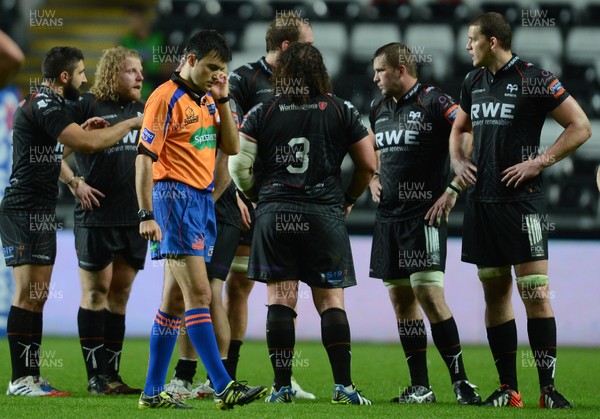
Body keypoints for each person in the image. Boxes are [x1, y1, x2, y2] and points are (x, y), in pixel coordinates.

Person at [166, 14, 316, 401]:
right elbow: (221, 140)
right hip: (232, 199)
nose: (312, 51)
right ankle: (188, 375)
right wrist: (232, 191)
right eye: (306, 44)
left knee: (246, 290)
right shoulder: (243, 80)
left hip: (278, 202)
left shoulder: (303, 83)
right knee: (202, 289)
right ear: (286, 47)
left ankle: (240, 377)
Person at [450, 12, 591, 408]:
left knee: (535, 294)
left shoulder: (535, 78)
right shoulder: (471, 81)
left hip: (522, 204)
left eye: (472, 39)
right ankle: (509, 389)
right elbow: (458, 129)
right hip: (482, 204)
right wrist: (458, 162)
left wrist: (539, 161)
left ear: (492, 41)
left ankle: (547, 389)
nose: (467, 46)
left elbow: (580, 126)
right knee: (495, 296)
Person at [229, 42, 376, 405]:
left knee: (281, 299)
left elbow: (237, 167)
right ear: (319, 73)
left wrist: (255, 197)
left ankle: (281, 387)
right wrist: (348, 199)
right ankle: (343, 387)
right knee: (330, 301)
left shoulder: (263, 111)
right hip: (324, 213)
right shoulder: (341, 109)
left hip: (276, 213)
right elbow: (368, 165)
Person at [135, 29, 267, 410]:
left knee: (176, 300)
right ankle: (224, 385)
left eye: (222, 70)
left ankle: (152, 391)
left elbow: (231, 147)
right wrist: (146, 213)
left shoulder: (209, 100)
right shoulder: (164, 98)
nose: (216, 75)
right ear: (190, 60)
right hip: (172, 197)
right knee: (201, 294)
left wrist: (223, 98)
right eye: (211, 68)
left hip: (200, 201)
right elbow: (144, 158)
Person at [0, 46, 142, 396]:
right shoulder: (43, 103)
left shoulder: (53, 108)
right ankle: (21, 380)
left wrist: (73, 176)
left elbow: (54, 152)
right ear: (65, 77)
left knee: (38, 294)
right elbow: (86, 145)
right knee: (26, 294)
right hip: (23, 208)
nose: (84, 78)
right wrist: (128, 123)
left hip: (41, 207)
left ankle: (31, 378)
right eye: (80, 73)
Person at [368, 42, 481, 405]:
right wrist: (372, 177)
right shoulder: (378, 106)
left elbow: (469, 130)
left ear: (401, 70)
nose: (375, 78)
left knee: (430, 296)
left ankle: (462, 382)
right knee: (402, 303)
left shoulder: (433, 100)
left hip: (424, 217)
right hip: (388, 218)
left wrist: (453, 186)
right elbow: (378, 152)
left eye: (380, 71)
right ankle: (421, 386)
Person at [60, 46, 145, 395]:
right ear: (112, 73)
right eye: (131, 71)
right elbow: (50, 150)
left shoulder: (145, 109)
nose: (140, 77)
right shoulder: (86, 104)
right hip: (97, 217)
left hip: (134, 217)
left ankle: (112, 375)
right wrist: (74, 182)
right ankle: (96, 376)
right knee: (95, 293)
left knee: (120, 296)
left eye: (140, 71)